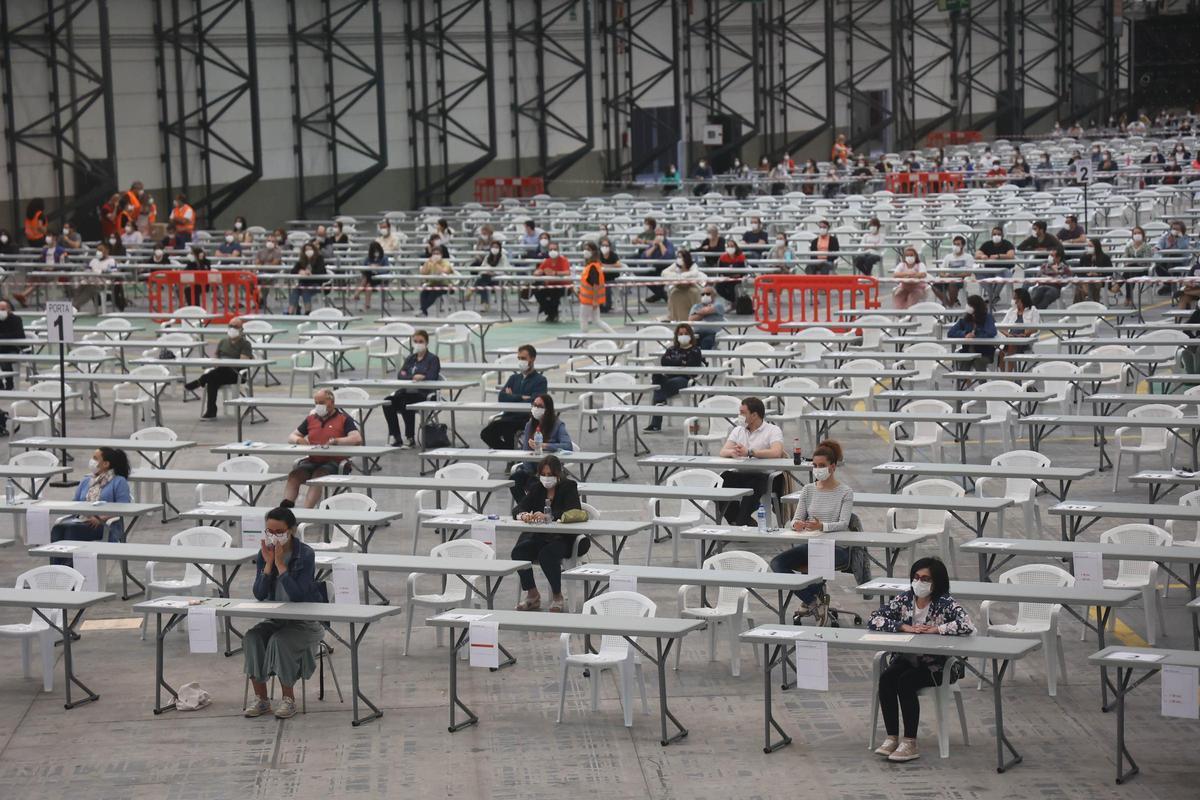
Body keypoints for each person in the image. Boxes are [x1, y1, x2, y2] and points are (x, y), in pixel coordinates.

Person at [869, 557, 975, 762]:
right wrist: (903, 627)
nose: (919, 582)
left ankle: (910, 742)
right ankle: (892, 737)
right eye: (916, 577)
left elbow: (967, 625)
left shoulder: (945, 603)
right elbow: (875, 619)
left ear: (936, 582)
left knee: (905, 681)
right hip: (907, 658)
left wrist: (936, 629)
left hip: (937, 665)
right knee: (887, 678)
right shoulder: (904, 599)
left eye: (925, 579)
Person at [242, 506, 326, 720]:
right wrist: (268, 564)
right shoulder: (264, 553)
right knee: (252, 637)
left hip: (304, 622)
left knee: (279, 641)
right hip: (276, 618)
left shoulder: (304, 554)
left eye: (279, 532)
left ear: (291, 530)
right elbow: (259, 593)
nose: (274, 536)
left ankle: (288, 699)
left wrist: (280, 565)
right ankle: (262, 699)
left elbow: (298, 595)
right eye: (269, 531)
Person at [769, 440, 853, 624]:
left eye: (822, 466)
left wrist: (821, 526)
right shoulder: (808, 490)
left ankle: (811, 600)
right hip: (811, 544)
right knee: (777, 563)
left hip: (837, 548)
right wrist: (796, 525)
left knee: (817, 559)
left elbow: (843, 523)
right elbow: (795, 519)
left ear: (833, 467)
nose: (817, 469)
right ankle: (813, 601)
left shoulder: (845, 492)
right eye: (815, 465)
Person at [511, 455, 587, 612]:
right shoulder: (537, 488)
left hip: (564, 539)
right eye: (543, 474)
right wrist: (523, 515)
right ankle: (532, 594)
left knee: (547, 555)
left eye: (550, 474)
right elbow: (519, 508)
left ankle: (557, 596)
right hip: (541, 537)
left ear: (558, 474)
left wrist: (549, 516)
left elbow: (573, 510)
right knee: (518, 552)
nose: (546, 478)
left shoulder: (569, 486)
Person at [281, 389, 363, 509]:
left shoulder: (344, 419)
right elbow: (291, 436)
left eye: (322, 403)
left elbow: (357, 438)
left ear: (332, 402)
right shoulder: (311, 419)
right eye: (316, 403)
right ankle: (285, 510)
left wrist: (337, 441)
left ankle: (306, 512)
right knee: (294, 475)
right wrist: (299, 440)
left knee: (318, 476)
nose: (319, 406)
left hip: (336, 462)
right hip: (313, 460)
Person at [48, 448, 132, 565]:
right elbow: (75, 502)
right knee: (58, 529)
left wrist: (101, 518)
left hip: (105, 525)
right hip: (81, 521)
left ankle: (69, 571)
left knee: (71, 531)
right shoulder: (87, 480)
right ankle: (57, 569)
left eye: (95, 458)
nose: (92, 461)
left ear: (106, 464)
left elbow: (124, 507)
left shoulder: (119, 481)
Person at [719, 397, 785, 526]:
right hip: (740, 473)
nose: (739, 416)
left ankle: (741, 522)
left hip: (763, 475)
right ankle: (740, 521)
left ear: (754, 415)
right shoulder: (738, 430)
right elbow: (723, 451)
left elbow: (776, 452)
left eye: (743, 412)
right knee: (720, 483)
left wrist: (750, 452)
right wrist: (732, 452)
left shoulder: (773, 430)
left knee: (754, 487)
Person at [184, 316, 254, 419]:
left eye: (235, 326)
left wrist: (226, 363)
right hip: (221, 372)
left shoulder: (245, 344)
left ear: (241, 329)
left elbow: (243, 362)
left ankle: (200, 382)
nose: (232, 328)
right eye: (230, 326)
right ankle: (211, 411)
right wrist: (218, 362)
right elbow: (216, 356)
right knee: (212, 380)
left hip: (236, 373)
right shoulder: (223, 341)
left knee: (213, 376)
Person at [509, 394, 573, 504]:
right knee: (515, 479)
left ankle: (534, 507)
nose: (536, 408)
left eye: (540, 406)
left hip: (549, 471)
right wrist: (530, 471)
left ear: (548, 409)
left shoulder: (558, 425)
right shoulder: (530, 425)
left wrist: (545, 446)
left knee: (537, 486)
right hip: (531, 470)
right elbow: (525, 452)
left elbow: (568, 446)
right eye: (534, 405)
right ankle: (524, 507)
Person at [481, 344, 548, 450]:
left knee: (508, 430)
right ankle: (508, 452)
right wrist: (520, 397)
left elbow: (534, 401)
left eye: (524, 358)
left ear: (533, 359)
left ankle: (510, 454)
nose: (521, 361)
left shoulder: (540, 380)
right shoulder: (514, 378)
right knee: (486, 434)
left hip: (525, 418)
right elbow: (502, 397)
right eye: (519, 358)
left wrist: (512, 396)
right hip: (508, 416)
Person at [382, 330, 440, 448]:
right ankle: (396, 437)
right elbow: (401, 375)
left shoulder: (432, 359)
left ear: (426, 342)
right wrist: (414, 377)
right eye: (415, 341)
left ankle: (410, 438)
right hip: (406, 391)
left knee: (406, 402)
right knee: (387, 402)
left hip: (424, 394)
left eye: (421, 341)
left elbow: (432, 376)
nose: (418, 344)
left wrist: (421, 377)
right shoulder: (410, 358)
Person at [645, 323, 705, 433]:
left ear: (690, 335)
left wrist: (674, 362)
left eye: (686, 333)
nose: (683, 336)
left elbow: (692, 365)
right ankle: (661, 401)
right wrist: (681, 362)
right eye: (680, 334)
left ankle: (656, 423)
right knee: (656, 376)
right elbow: (664, 362)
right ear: (677, 336)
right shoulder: (671, 349)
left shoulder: (695, 350)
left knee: (659, 389)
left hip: (685, 379)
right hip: (669, 378)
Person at [947, 294, 998, 367]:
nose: (967, 306)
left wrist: (975, 335)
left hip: (984, 353)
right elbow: (951, 333)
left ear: (976, 307)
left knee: (978, 361)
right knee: (964, 360)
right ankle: (962, 374)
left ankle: (980, 375)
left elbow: (991, 332)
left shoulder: (988, 318)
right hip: (967, 351)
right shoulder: (965, 320)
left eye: (970, 305)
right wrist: (965, 334)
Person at [74, 243, 124, 311]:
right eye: (97, 250)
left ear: (107, 251)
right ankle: (75, 306)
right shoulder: (94, 260)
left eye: (101, 250)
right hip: (90, 280)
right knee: (80, 286)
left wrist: (101, 271)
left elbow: (113, 273)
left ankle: (75, 306)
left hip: (103, 282)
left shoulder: (111, 261)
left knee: (90, 288)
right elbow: (87, 270)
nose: (98, 252)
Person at [998, 288, 1039, 370]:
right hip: (1010, 338)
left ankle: (1009, 375)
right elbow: (1001, 326)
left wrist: (1025, 334)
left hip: (1024, 340)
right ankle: (1003, 375)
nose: (1013, 300)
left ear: (1021, 299)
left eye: (1015, 298)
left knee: (1011, 345)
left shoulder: (1033, 310)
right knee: (999, 352)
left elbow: (1035, 328)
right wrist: (1008, 335)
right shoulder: (1011, 310)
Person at [660, 250, 706, 322]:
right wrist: (677, 276)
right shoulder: (675, 265)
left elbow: (693, 274)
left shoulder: (693, 265)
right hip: (678, 287)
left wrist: (681, 276)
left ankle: (696, 315)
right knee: (673, 293)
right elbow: (664, 273)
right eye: (678, 257)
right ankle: (673, 317)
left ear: (686, 258)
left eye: (681, 257)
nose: (679, 259)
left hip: (692, 286)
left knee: (694, 292)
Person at [975, 226, 1016, 303]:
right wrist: (981, 256)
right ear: (991, 235)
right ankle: (991, 293)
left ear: (1002, 235)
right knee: (978, 272)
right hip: (989, 270)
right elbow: (977, 254)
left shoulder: (1007, 244)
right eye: (994, 234)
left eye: (998, 234)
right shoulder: (987, 244)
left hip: (1003, 270)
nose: (996, 236)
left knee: (1004, 275)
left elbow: (1011, 255)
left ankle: (994, 295)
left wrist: (998, 256)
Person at [578, 243, 613, 333]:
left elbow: (595, 284)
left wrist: (595, 300)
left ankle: (585, 340)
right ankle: (615, 336)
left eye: (588, 249)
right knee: (597, 321)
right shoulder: (594, 265)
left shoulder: (593, 267)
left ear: (594, 252)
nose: (585, 251)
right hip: (589, 299)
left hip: (589, 300)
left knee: (583, 319)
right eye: (585, 249)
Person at [533, 240, 570, 322]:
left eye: (555, 249)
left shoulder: (563, 260)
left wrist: (555, 273)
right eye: (551, 249)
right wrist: (539, 272)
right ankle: (550, 312)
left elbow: (567, 272)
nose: (553, 251)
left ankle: (550, 313)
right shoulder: (547, 261)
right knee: (537, 291)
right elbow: (537, 271)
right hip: (549, 285)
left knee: (554, 293)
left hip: (562, 286)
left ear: (558, 250)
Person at [933, 235, 975, 307]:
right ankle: (950, 304)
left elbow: (968, 273)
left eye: (958, 244)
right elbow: (941, 271)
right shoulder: (948, 257)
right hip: (947, 278)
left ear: (963, 245)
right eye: (954, 244)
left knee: (952, 283)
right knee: (934, 286)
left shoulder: (968, 257)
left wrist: (954, 276)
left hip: (960, 280)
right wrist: (944, 275)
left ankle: (950, 304)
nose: (956, 246)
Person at [1117, 226, 1154, 308]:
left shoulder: (1147, 246)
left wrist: (1133, 261)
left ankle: (1120, 288)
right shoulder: (1129, 246)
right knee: (1130, 272)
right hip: (1131, 270)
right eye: (1135, 233)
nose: (1137, 235)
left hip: (1143, 270)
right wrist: (1132, 261)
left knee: (1129, 271)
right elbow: (1125, 258)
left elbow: (1146, 260)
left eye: (1139, 233)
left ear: (1143, 235)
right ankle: (1129, 297)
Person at [1153, 221, 1191, 297]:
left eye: (1177, 229)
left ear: (1182, 230)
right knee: (1157, 267)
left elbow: (1183, 247)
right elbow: (1159, 244)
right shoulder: (1166, 237)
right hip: (1166, 260)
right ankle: (1169, 285)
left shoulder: (1185, 238)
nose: (1175, 230)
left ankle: (1172, 286)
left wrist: (1177, 240)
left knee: (1174, 256)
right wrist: (1157, 248)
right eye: (1173, 229)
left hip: (1180, 261)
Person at [288, 242, 327, 314]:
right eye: (306, 250)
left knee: (305, 290)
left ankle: (307, 312)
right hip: (303, 283)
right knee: (295, 290)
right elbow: (293, 271)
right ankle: (290, 312)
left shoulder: (319, 258)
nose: (308, 251)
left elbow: (321, 271)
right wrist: (300, 271)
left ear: (314, 250)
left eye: (310, 249)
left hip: (316, 283)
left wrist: (310, 273)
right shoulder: (302, 260)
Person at [472, 237, 507, 312]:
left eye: (496, 247)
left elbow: (505, 270)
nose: (495, 249)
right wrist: (487, 271)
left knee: (481, 281)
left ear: (500, 248)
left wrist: (494, 273)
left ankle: (473, 290)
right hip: (487, 278)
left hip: (498, 280)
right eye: (493, 247)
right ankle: (485, 303)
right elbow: (482, 268)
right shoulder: (487, 257)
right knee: (483, 281)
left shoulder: (503, 257)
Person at [640, 229, 673, 303]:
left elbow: (667, 256)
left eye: (660, 234)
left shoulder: (669, 244)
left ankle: (659, 295)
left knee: (661, 279)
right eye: (657, 235)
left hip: (667, 269)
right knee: (644, 277)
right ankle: (662, 295)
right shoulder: (653, 244)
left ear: (665, 235)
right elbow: (644, 256)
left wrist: (660, 244)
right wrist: (654, 247)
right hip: (655, 268)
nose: (658, 236)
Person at [1075, 237, 1112, 303]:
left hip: (1100, 279)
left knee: (1092, 284)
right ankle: (1086, 302)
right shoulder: (1084, 256)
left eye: (1091, 246)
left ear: (1096, 247)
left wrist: (1098, 274)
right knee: (1081, 285)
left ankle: (1090, 302)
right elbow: (1079, 271)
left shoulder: (1105, 257)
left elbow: (1110, 272)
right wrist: (1087, 274)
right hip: (1086, 278)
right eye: (1088, 246)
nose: (1089, 248)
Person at [0, 299, 26, 391]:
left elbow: (20, 335)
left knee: (4, 360)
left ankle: (9, 384)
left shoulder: (16, 320)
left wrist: (3, 337)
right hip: (1, 348)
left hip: (13, 348)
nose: (1, 311)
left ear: (9, 309)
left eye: (3, 309)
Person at [355, 240, 388, 310]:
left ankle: (357, 294)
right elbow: (363, 268)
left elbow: (386, 270)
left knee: (366, 279)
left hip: (379, 278)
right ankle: (367, 305)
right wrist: (370, 266)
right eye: (374, 251)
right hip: (370, 277)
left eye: (377, 250)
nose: (376, 253)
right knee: (368, 284)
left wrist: (378, 269)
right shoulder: (368, 258)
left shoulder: (384, 258)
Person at [715, 237, 746, 304]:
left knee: (732, 287)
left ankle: (735, 302)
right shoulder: (722, 257)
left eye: (732, 246)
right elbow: (720, 271)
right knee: (718, 287)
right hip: (726, 278)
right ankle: (732, 301)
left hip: (737, 279)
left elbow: (743, 271)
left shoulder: (741, 257)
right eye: (728, 246)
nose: (730, 248)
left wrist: (737, 275)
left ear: (736, 247)